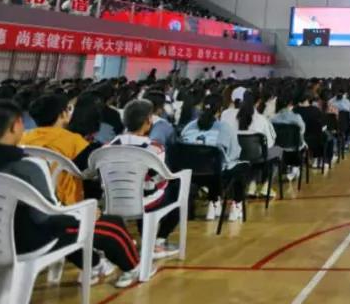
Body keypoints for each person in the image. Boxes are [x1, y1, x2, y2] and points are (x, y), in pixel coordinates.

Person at [0, 100, 140, 288]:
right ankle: (134, 269)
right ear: (16, 126)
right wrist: (85, 213)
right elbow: (48, 216)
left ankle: (96, 266)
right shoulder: (28, 165)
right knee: (110, 226)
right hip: (27, 243)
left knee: (71, 226)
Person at [107, 99, 181, 253]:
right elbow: (160, 177)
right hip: (146, 201)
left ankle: (141, 241)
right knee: (176, 194)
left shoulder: (109, 146)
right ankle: (156, 242)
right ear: (148, 120)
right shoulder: (154, 148)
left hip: (114, 199)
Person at [179, 95, 248, 222]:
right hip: (216, 174)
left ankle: (215, 202)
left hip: (190, 174)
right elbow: (234, 153)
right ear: (220, 110)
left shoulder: (188, 127)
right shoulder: (225, 128)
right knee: (241, 167)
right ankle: (234, 205)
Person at [22, 94, 94, 205]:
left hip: (27, 199)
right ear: (62, 114)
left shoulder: (23, 137)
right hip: (65, 203)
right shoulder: (74, 140)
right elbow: (90, 171)